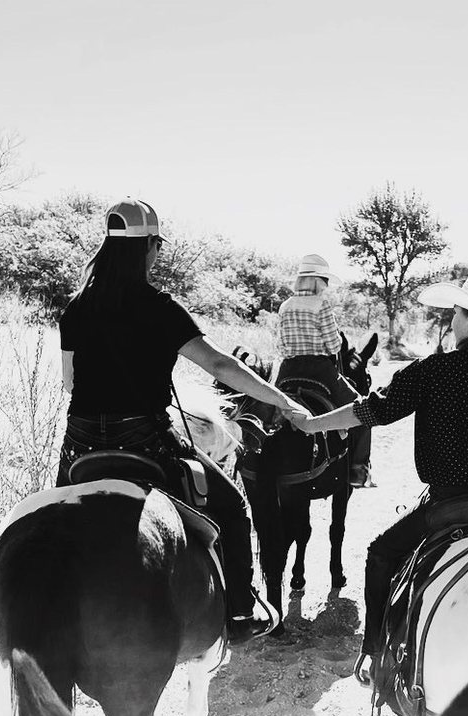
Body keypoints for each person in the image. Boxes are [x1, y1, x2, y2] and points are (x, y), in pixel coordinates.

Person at [291, 263, 468, 666]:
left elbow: (371, 412)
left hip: (448, 503)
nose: (453, 320)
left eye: (457, 313)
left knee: (381, 555)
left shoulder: (433, 371)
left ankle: (374, 654)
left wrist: (313, 423)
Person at [57, 198, 308, 644]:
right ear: (149, 247)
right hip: (144, 440)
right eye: (157, 245)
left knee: (53, 520)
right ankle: (238, 614)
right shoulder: (160, 307)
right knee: (233, 511)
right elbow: (220, 366)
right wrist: (281, 399)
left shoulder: (76, 308)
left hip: (80, 444)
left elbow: (68, 383)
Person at [276, 254, 371, 487]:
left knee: (265, 410)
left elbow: (280, 345)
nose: (327, 286)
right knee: (363, 409)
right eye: (325, 281)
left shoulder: (285, 306)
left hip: (287, 369)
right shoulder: (322, 305)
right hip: (319, 369)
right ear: (318, 281)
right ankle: (359, 468)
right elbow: (334, 345)